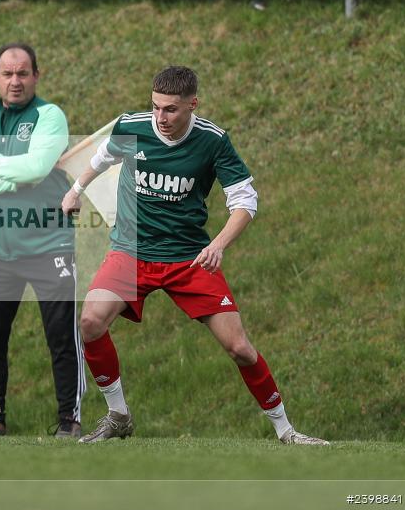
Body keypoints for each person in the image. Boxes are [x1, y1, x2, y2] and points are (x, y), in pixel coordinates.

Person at [61, 65, 328, 445]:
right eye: (155, 107)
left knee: (239, 348)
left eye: (170, 109)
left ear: (192, 104)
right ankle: (118, 415)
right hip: (131, 251)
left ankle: (286, 431)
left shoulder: (212, 141)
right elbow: (102, 157)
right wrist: (75, 191)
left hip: (189, 258)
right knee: (90, 321)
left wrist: (217, 244)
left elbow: (245, 201)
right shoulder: (132, 127)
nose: (160, 117)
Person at [0, 43, 85, 437]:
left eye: (23, 73)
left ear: (36, 76)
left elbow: (37, 167)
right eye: (8, 74)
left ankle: (69, 420)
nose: (15, 81)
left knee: (61, 337)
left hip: (49, 245)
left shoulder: (50, 116)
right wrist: (11, 180)